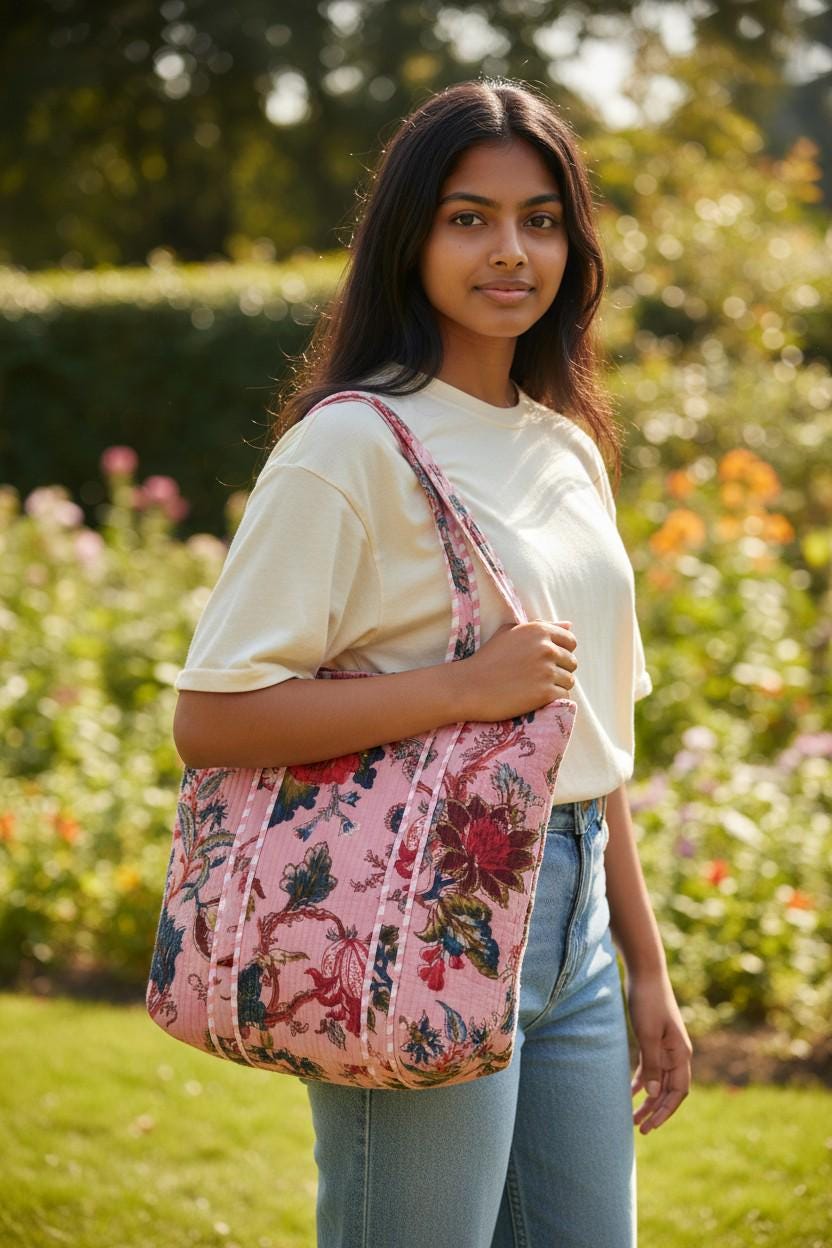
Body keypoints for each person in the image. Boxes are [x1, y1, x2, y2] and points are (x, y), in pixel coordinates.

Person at [173, 77, 692, 1248]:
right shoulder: (350, 445)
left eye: (540, 219)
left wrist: (645, 973)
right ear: (409, 238)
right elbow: (212, 718)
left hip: (577, 934)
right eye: (469, 217)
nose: (510, 250)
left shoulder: (568, 446)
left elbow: (593, 744)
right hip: (416, 914)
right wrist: (464, 690)